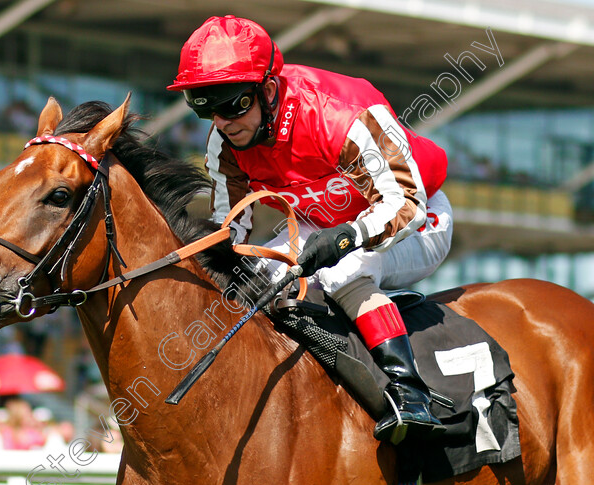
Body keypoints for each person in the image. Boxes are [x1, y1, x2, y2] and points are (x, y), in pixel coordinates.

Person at [168, 16, 453, 444]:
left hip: (418, 220)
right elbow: (233, 234)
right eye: (204, 106)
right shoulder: (225, 143)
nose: (222, 122)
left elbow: (406, 205)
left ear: (266, 90)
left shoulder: (343, 115)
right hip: (320, 225)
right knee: (256, 277)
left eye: (233, 105)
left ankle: (409, 395)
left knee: (344, 270)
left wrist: (345, 237)